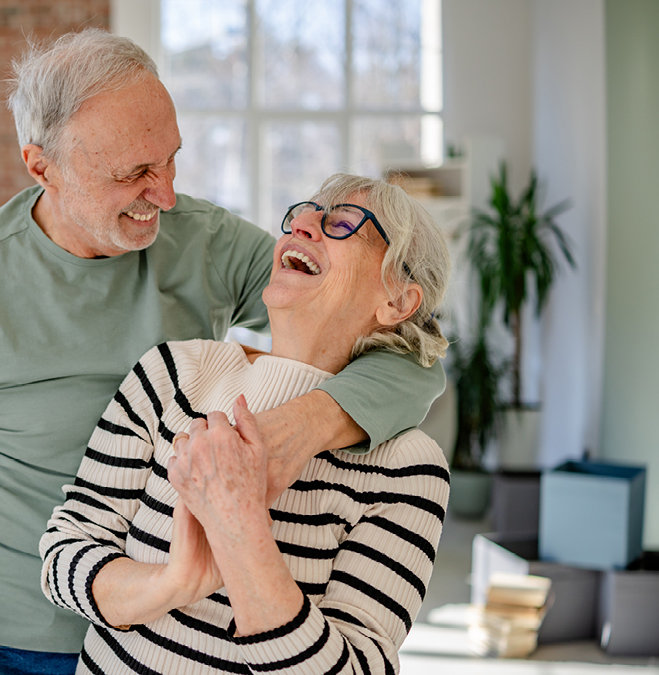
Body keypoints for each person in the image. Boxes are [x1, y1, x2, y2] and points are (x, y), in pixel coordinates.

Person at [0, 30, 445, 675]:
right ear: (41, 167)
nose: (165, 195)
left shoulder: (204, 242)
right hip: (13, 639)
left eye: (169, 160)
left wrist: (301, 426)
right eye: (132, 174)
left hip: (178, 638)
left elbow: (404, 350)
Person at [41, 173, 452, 674]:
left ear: (397, 300)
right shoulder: (176, 374)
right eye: (301, 212)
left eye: (343, 222)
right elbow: (65, 552)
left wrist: (241, 533)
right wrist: (172, 584)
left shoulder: (408, 469)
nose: (301, 224)